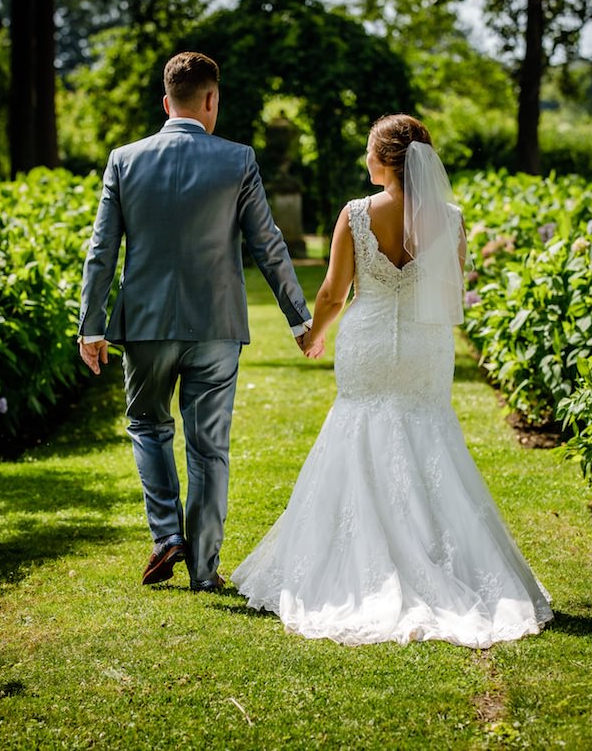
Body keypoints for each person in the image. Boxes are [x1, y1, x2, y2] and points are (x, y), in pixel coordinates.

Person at [232, 114, 553, 647]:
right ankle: (439, 552)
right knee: (429, 433)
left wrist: (315, 333)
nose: (365, 160)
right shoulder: (449, 218)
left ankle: (365, 560)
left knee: (359, 428)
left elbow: (335, 291)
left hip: (370, 339)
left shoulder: (356, 214)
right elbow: (452, 290)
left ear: (384, 161)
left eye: (368, 152)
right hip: (426, 345)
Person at [77, 52, 313, 592]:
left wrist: (91, 326)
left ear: (166, 102)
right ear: (211, 100)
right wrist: (299, 318)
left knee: (148, 427)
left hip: (144, 325)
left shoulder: (124, 159)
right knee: (209, 447)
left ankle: (166, 537)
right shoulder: (238, 160)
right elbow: (269, 245)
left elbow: (102, 249)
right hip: (216, 327)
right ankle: (204, 570)